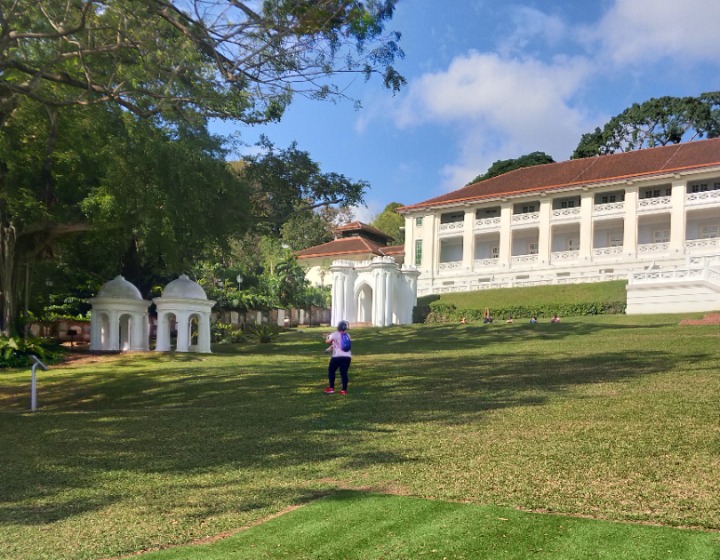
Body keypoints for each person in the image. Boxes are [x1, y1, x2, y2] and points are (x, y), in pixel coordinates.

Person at [324, 320, 352, 395]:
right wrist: (328, 350)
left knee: (331, 371)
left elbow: (328, 341)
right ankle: (343, 390)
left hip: (337, 356)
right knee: (344, 373)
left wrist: (327, 337)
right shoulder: (348, 335)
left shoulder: (334, 334)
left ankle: (331, 388)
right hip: (347, 357)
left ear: (338, 327)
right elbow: (336, 344)